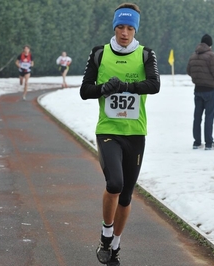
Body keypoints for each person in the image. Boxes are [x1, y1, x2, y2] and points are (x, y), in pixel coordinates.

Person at [80, 3, 160, 265]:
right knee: (114, 183)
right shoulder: (99, 54)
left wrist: (126, 86)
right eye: (120, 27)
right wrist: (104, 89)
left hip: (135, 133)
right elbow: (85, 91)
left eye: (129, 28)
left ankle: (114, 246)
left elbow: (154, 85)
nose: (124, 32)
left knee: (126, 195)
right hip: (108, 131)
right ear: (114, 27)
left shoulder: (146, 55)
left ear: (135, 29)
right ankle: (105, 234)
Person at [186, 34, 214, 150]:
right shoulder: (212, 56)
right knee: (209, 117)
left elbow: (189, 71)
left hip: (197, 90)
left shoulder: (193, 56)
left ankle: (196, 142)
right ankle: (208, 143)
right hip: (209, 91)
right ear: (210, 45)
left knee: (197, 117)